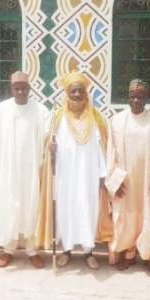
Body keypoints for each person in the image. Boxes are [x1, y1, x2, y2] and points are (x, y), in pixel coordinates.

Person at [35, 71, 113, 270]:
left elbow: (101, 147)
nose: (77, 95)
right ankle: (66, 250)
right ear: (67, 93)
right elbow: (50, 147)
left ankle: (88, 252)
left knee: (88, 209)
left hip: (89, 174)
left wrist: (103, 173)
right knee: (66, 210)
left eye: (80, 91)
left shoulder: (96, 118)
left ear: (85, 93)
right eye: (73, 91)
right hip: (65, 174)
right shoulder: (58, 117)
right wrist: (51, 150)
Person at [106, 79, 150, 274]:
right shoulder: (117, 120)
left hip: (148, 178)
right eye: (133, 96)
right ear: (128, 98)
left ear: (146, 99)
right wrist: (113, 182)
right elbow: (110, 152)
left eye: (140, 97)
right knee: (128, 217)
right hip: (126, 179)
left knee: (149, 216)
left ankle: (149, 256)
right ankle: (129, 254)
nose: (136, 100)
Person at [0, 71, 50, 268]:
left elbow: (49, 137)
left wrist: (52, 146)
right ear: (11, 89)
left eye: (24, 88)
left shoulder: (40, 110)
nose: (20, 91)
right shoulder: (0, 111)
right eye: (16, 88)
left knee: (31, 207)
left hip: (31, 172)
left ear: (29, 89)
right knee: (8, 207)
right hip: (7, 170)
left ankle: (32, 251)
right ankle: (8, 250)